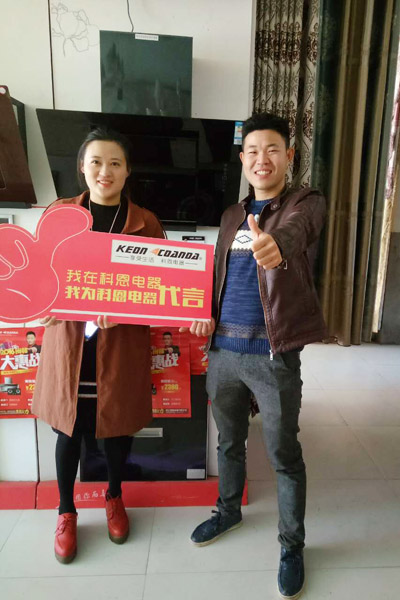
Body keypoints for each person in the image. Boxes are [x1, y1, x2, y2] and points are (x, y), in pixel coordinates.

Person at [183, 113, 327, 600]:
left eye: (272, 150)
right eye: (253, 151)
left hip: (273, 354)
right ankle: (228, 511)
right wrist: (205, 316)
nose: (262, 159)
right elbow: (218, 279)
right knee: (229, 442)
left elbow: (299, 232)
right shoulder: (231, 215)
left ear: (289, 156)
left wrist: (275, 245)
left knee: (284, 453)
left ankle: (292, 546)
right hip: (224, 352)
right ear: (242, 159)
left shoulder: (305, 203)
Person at [32, 128, 165, 564]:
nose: (104, 171)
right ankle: (65, 511)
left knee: (117, 428)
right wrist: (44, 306)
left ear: (127, 171)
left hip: (120, 344)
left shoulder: (146, 223)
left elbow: (161, 289)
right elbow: (40, 277)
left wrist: (127, 310)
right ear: (82, 168)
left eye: (114, 163)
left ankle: (114, 496)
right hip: (70, 344)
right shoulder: (60, 215)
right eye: (96, 162)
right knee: (67, 430)